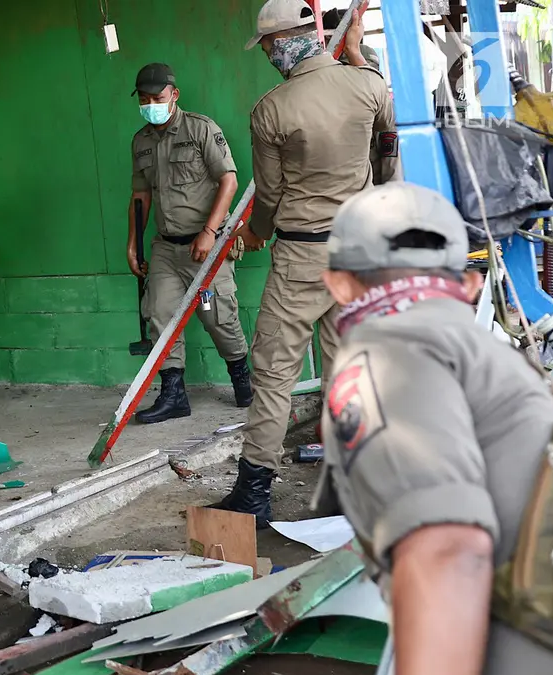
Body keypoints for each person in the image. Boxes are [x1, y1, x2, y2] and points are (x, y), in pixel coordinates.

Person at [319, 181, 553, 675]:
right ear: (469, 284)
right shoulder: (494, 355)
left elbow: (447, 550)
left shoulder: (385, 353)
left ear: (337, 285)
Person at [210, 0, 397, 527]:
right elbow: (388, 160)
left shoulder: (271, 109)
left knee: (272, 375)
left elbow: (269, 196)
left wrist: (255, 233)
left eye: (268, 44)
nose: (267, 52)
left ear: (287, 40)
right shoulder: (369, 86)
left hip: (301, 258)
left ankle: (253, 495)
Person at [126, 62, 251, 424]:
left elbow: (228, 180)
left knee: (218, 319)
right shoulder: (141, 141)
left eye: (158, 97)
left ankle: (242, 380)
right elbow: (140, 195)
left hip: (205, 245)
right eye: (145, 99)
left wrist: (210, 232)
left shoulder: (200, 129)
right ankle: (173, 395)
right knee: (159, 316)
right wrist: (133, 244)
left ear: (174, 95)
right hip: (165, 247)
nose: (151, 104)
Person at [322, 7, 401, 186]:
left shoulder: (363, 61)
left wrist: (391, 192)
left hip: (371, 189)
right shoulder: (324, 84)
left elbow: (390, 147)